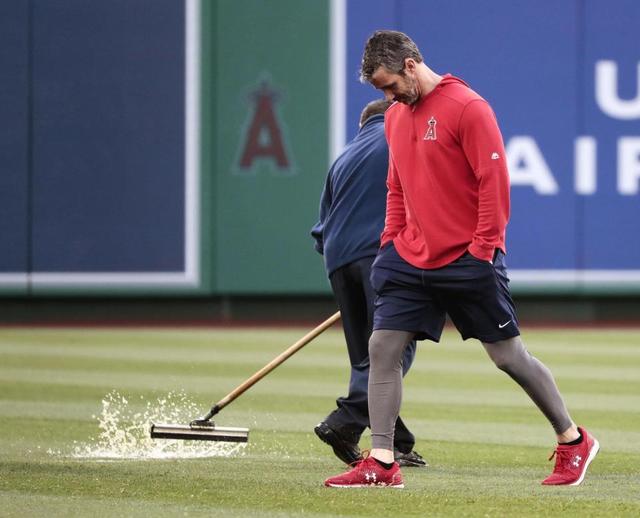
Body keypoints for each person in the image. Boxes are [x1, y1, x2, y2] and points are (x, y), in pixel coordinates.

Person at [324, 30, 599, 488]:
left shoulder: (469, 107)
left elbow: (494, 182)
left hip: (468, 257)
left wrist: (483, 248)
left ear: (411, 65)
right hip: (409, 257)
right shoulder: (394, 117)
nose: (389, 96)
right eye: (381, 91)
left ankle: (573, 441)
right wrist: (391, 240)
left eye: (391, 85)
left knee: (508, 356)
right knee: (382, 348)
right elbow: (397, 186)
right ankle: (383, 460)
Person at [311, 99, 426, 468]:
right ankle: (345, 421)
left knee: (369, 357)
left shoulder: (342, 157)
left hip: (337, 259)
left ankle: (397, 442)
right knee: (395, 348)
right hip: (382, 253)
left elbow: (319, 231)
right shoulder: (400, 134)